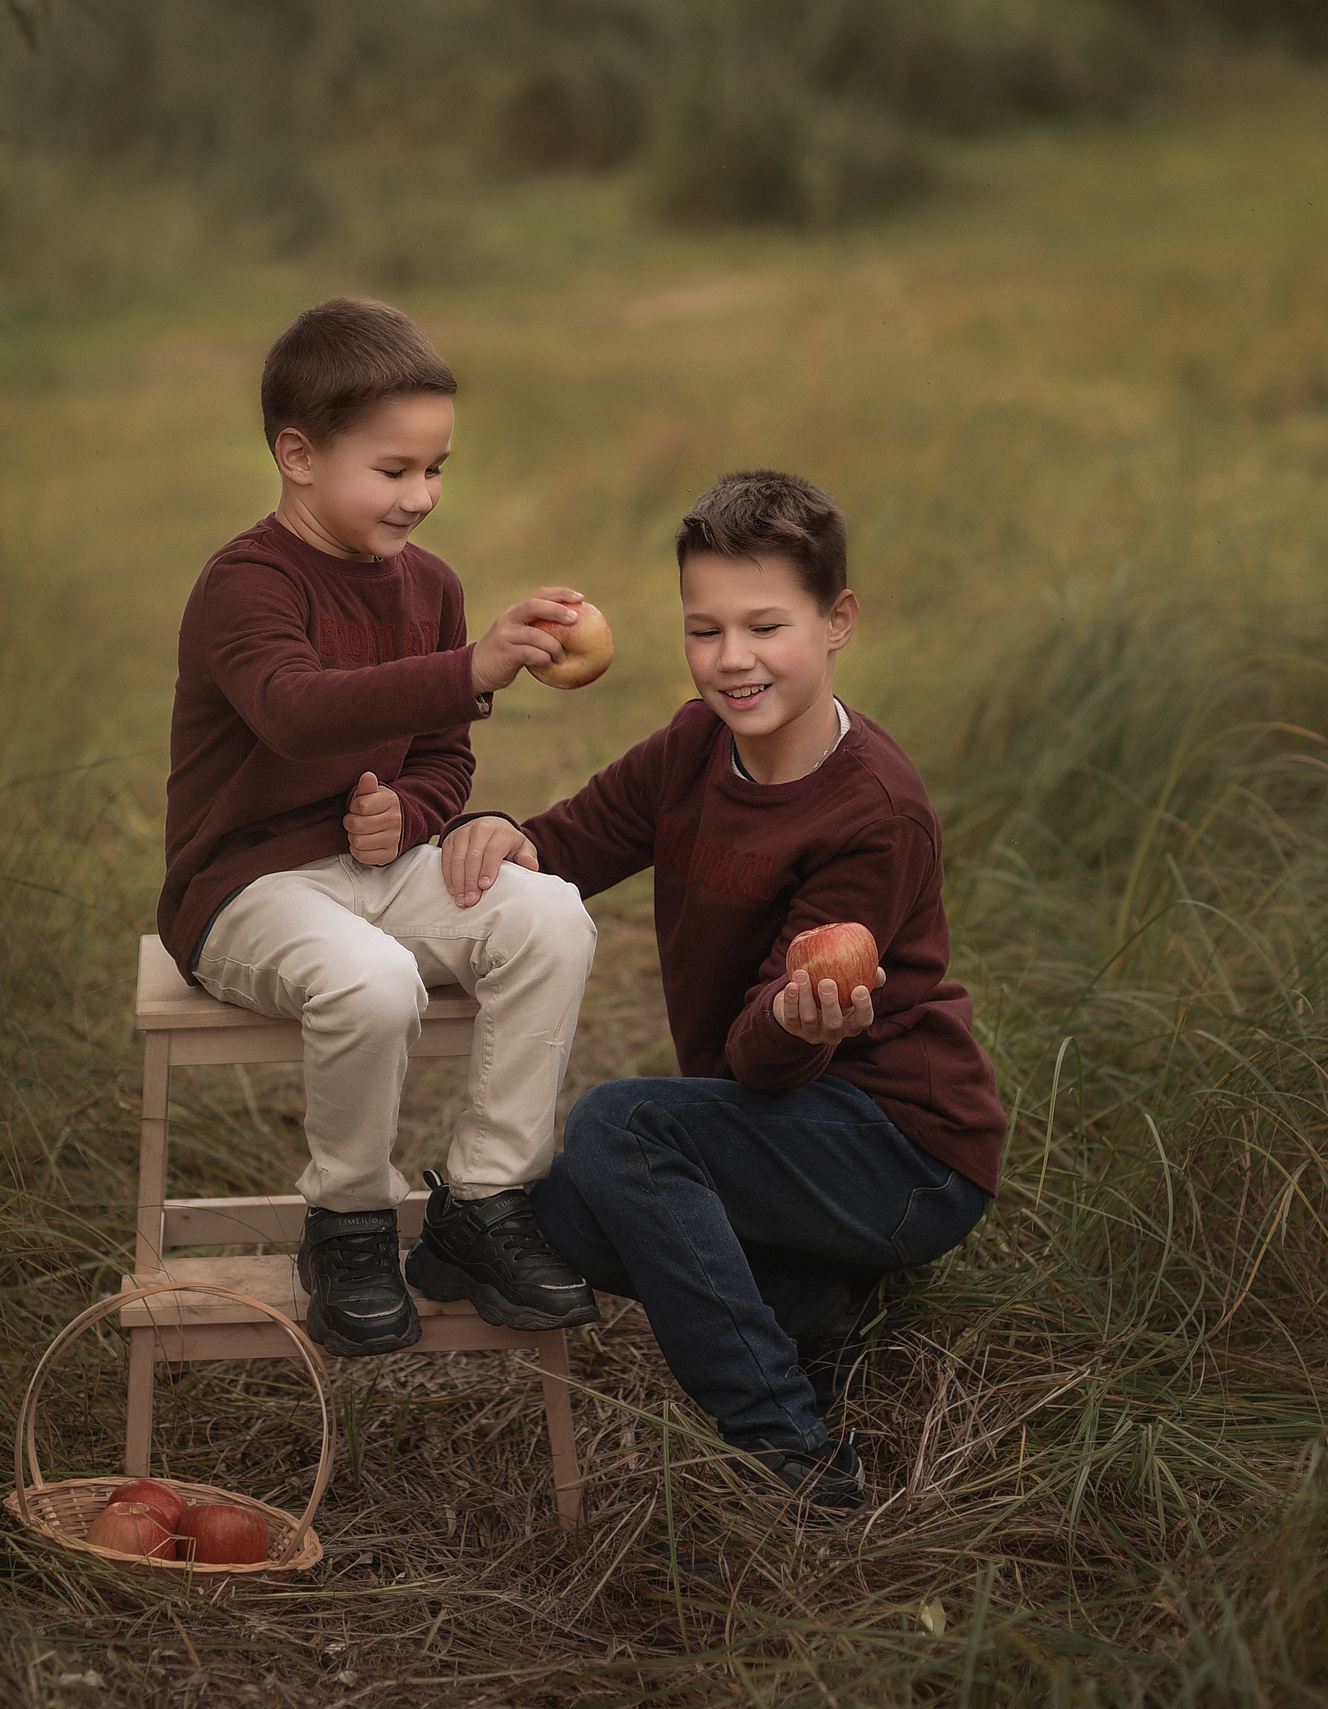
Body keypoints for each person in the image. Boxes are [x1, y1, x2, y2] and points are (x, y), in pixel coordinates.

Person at [437, 469, 1006, 1513]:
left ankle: (788, 1440)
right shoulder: (696, 744)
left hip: (903, 1145)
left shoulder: (873, 810)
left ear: (837, 621)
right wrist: (502, 831)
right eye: (705, 630)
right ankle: (815, 1299)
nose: (732, 659)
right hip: (792, 1124)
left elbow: (761, 1059)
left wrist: (793, 1020)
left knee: (624, 1126)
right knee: (561, 1214)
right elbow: (572, 841)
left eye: (764, 625)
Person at [160, 296, 603, 1357]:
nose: (420, 495)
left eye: (436, 468)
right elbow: (293, 706)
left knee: (551, 918)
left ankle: (484, 1204)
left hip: (376, 874)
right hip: (246, 887)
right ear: (298, 454)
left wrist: (406, 810)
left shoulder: (431, 586)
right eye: (394, 469)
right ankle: (349, 1221)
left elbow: (446, 753)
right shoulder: (248, 582)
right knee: (373, 978)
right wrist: (473, 666)